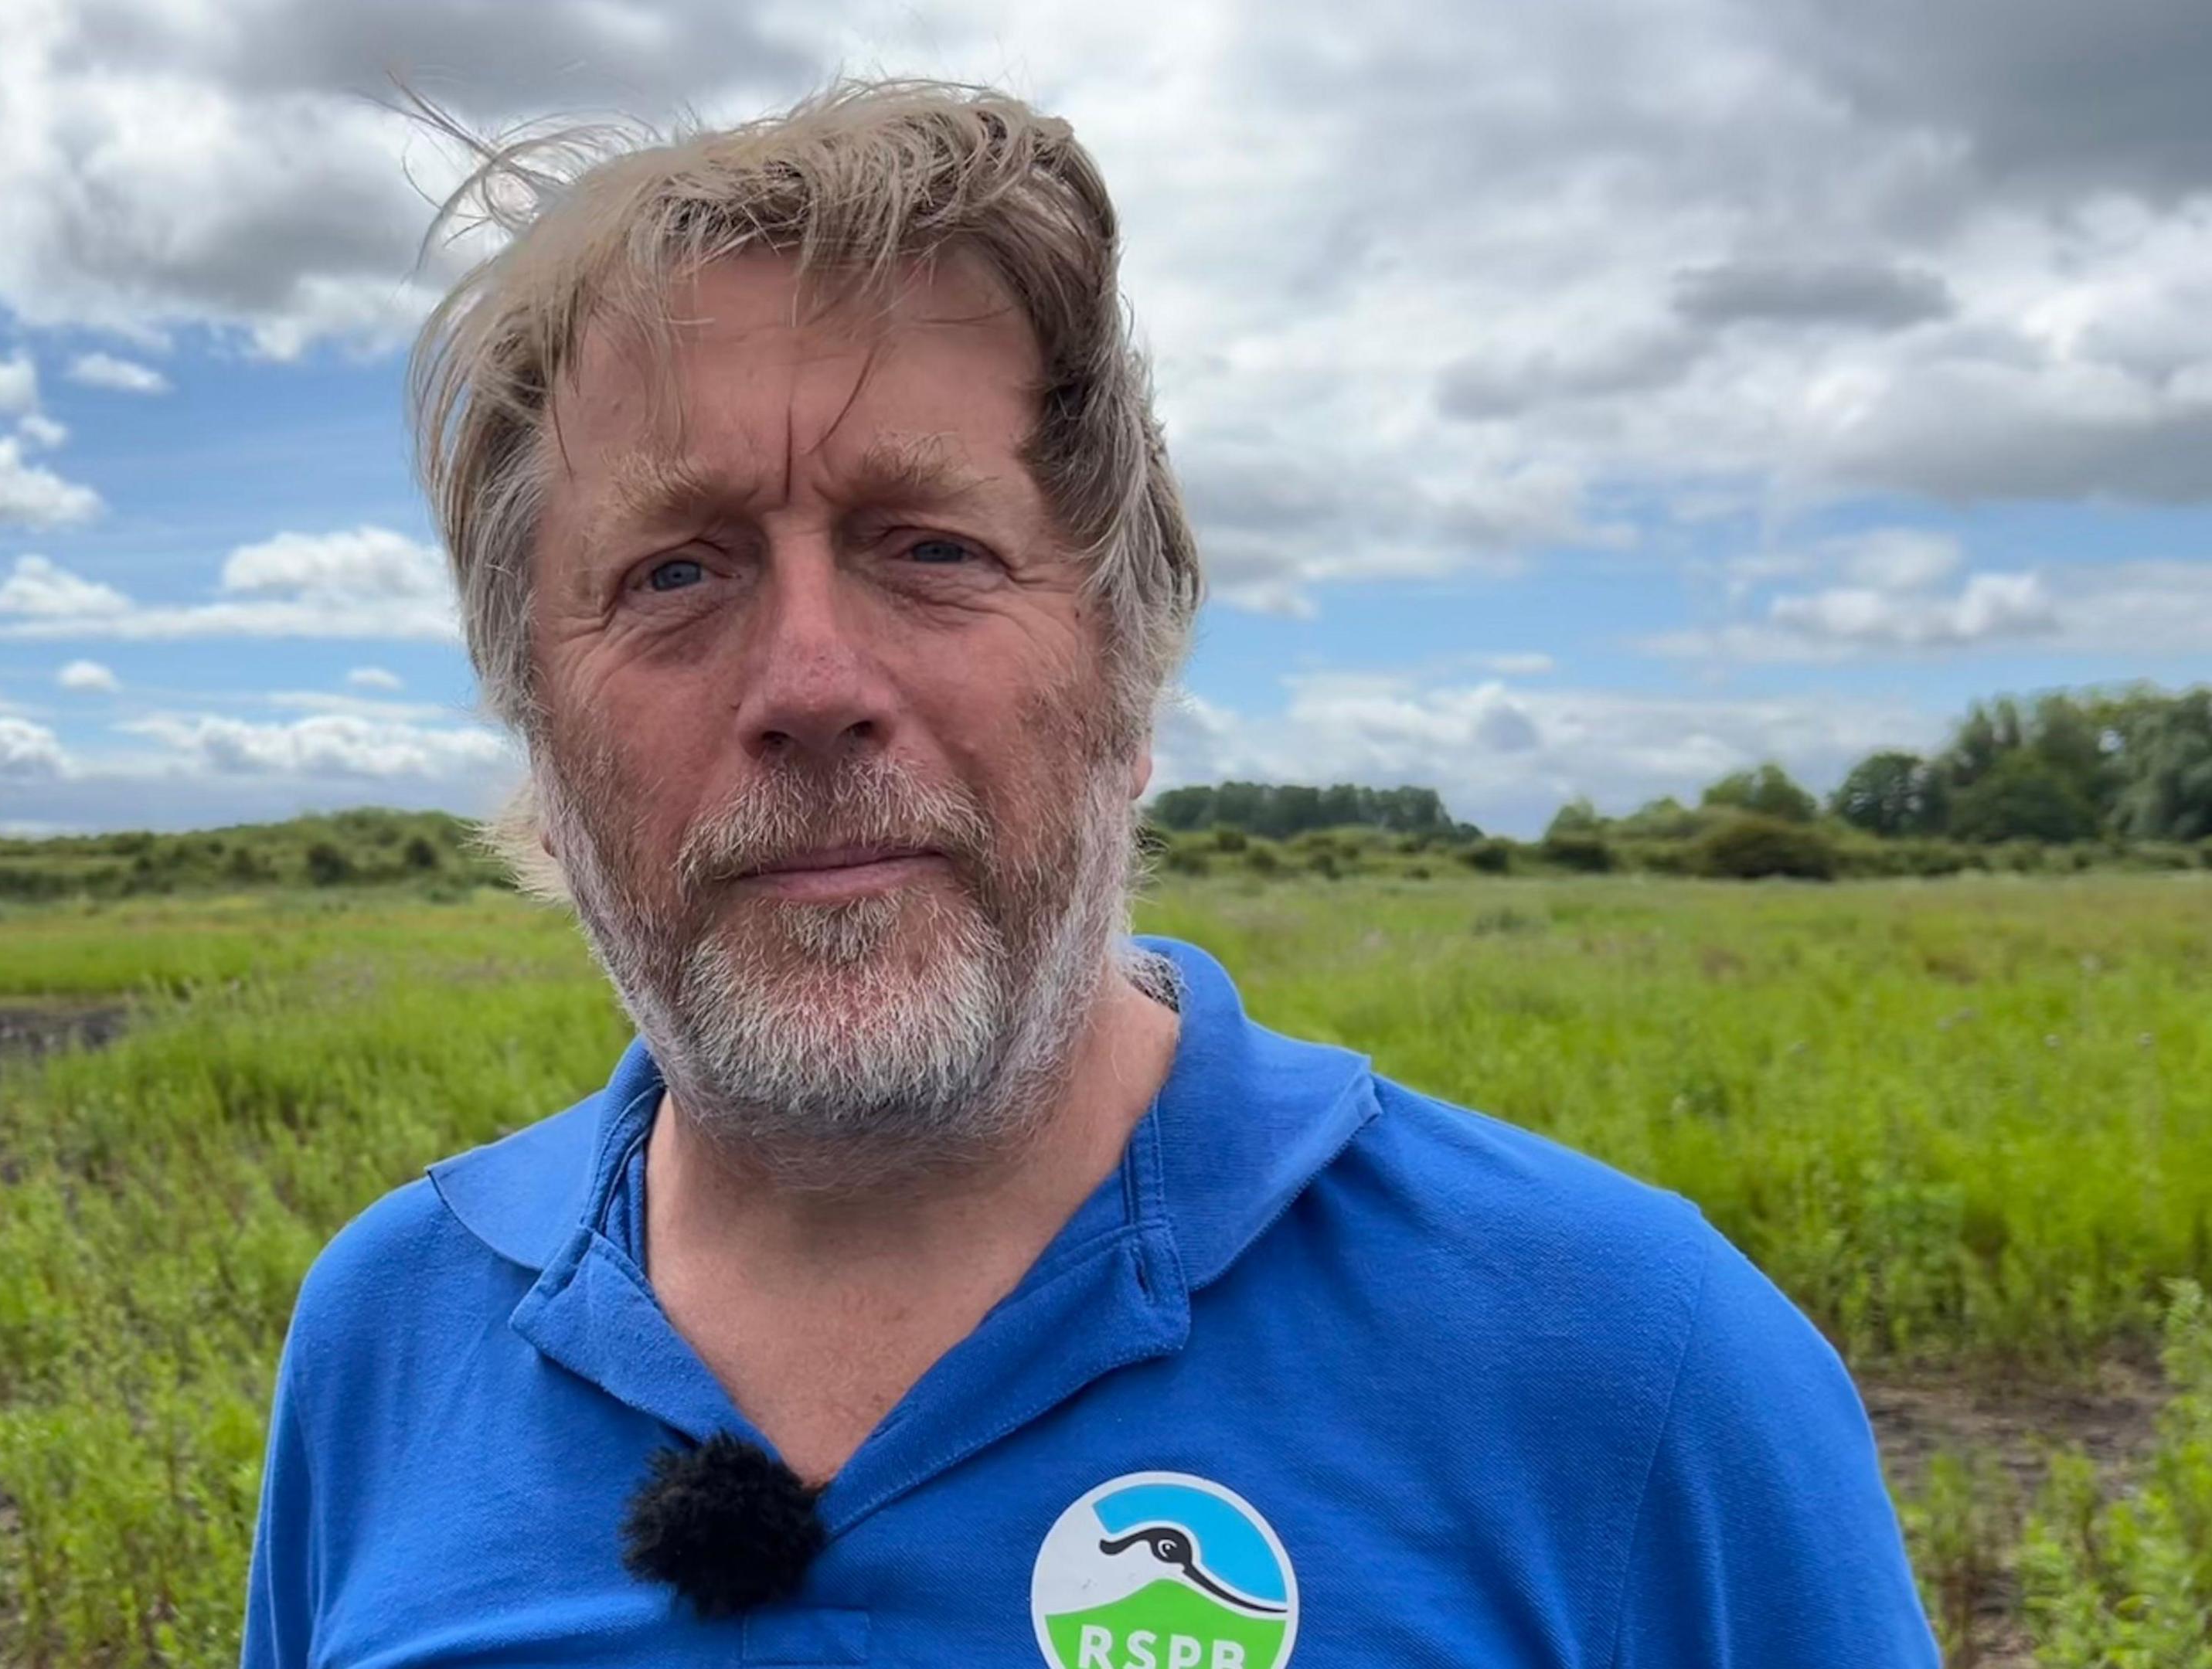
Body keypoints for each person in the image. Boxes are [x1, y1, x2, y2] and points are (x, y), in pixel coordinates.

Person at [240, 80, 1935, 1667]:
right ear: (540, 726)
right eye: (677, 571)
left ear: (1131, 671)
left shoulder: (1629, 1361)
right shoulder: (386, 1335)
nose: (814, 684)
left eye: (935, 549)